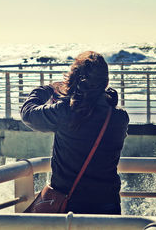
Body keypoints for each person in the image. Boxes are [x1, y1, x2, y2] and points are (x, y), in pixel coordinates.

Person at [20, 51, 129, 215]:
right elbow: (100, 110)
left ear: (73, 79)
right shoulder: (119, 118)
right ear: (105, 82)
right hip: (107, 208)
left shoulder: (65, 112)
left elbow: (28, 113)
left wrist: (48, 89)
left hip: (70, 209)